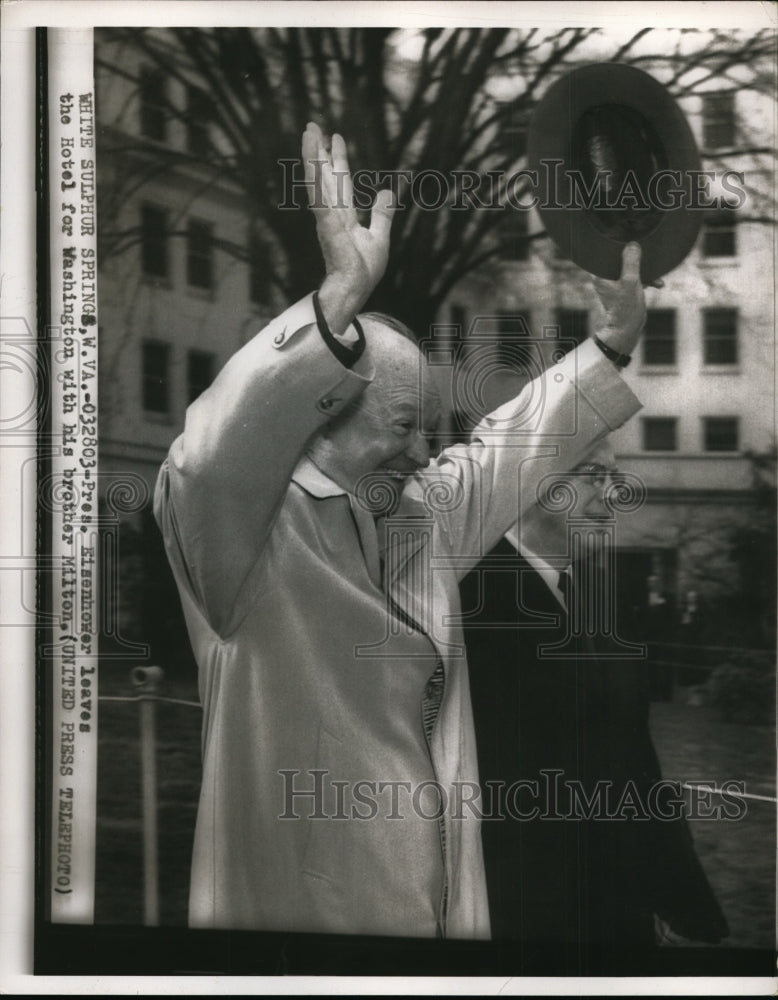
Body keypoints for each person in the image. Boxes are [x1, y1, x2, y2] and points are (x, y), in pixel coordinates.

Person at [153, 122, 647, 938]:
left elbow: (507, 449)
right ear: (322, 414)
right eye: (404, 424)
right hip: (298, 932)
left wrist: (611, 347)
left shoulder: (421, 514)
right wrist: (338, 299)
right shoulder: (244, 533)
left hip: (433, 926)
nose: (423, 450)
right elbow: (208, 458)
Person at [461, 438, 729, 965]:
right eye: (593, 476)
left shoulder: (593, 591)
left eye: (614, 478)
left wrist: (671, 891)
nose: (612, 495)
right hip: (530, 924)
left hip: (614, 910)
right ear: (529, 481)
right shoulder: (471, 598)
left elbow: (634, 759)